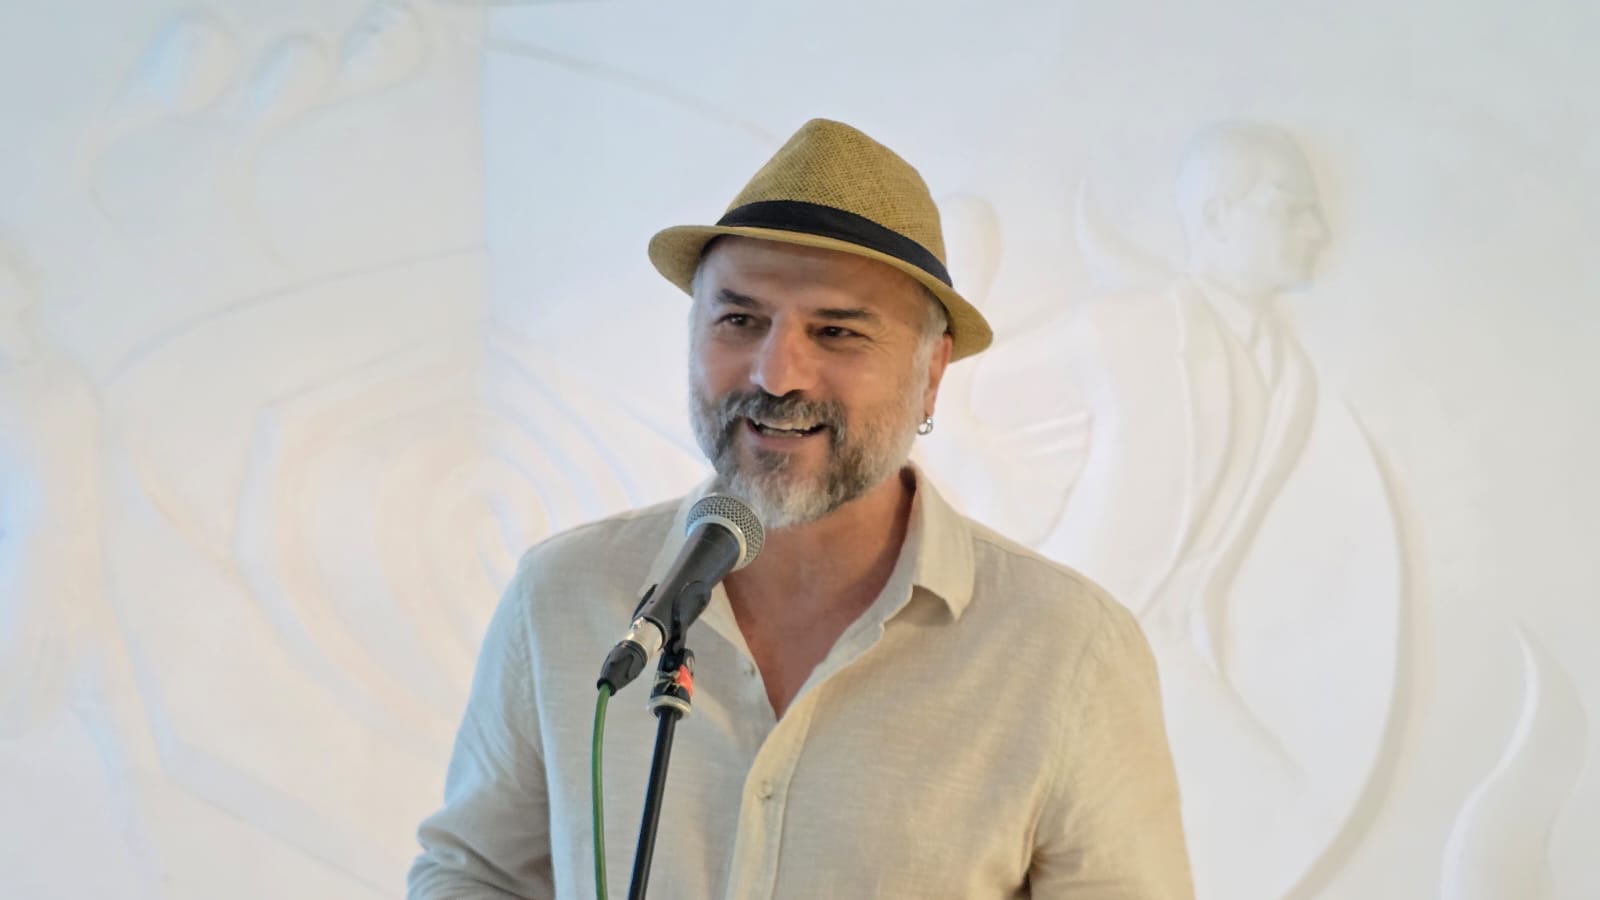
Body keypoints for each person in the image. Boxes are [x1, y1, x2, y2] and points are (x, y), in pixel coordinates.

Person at [407, 118, 1192, 899]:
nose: (776, 374)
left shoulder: (1068, 650)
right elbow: (474, 876)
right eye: (740, 321)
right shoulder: (560, 596)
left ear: (931, 373)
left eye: (837, 331)